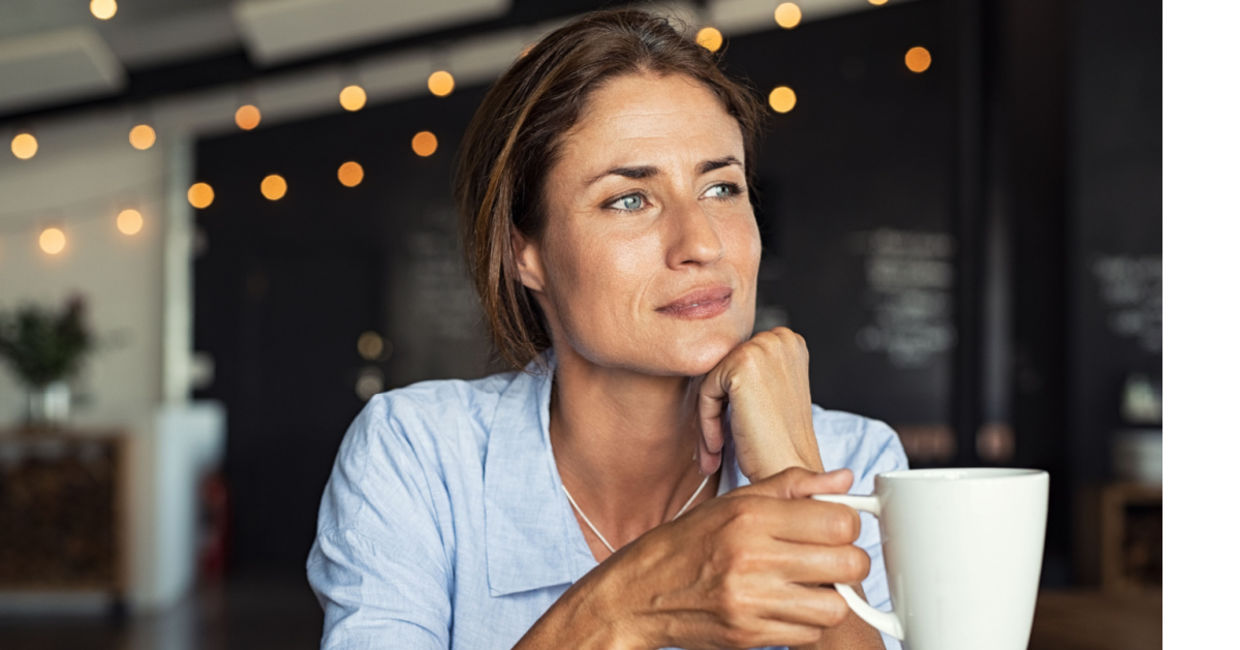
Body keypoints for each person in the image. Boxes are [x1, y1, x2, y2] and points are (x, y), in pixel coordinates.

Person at [307, 8, 908, 649]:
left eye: (722, 189)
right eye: (629, 199)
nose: (701, 243)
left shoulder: (856, 464)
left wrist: (791, 476)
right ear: (523, 253)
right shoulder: (420, 456)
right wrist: (623, 607)